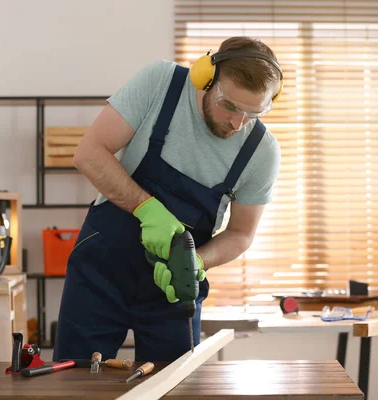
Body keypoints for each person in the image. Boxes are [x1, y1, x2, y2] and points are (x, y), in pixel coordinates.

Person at [52, 36, 283, 363]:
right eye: (229, 105)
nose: (238, 122)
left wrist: (197, 262)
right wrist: (147, 210)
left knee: (173, 389)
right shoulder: (161, 84)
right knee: (75, 383)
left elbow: (241, 234)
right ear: (206, 77)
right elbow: (89, 154)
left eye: (253, 112)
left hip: (174, 291)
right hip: (101, 272)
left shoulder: (262, 152)